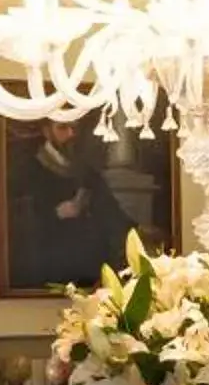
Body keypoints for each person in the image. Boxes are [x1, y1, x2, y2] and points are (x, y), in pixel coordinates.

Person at [10, 118, 141, 288]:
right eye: (63, 128)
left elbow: (112, 213)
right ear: (46, 131)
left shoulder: (86, 172)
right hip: (49, 271)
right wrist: (56, 214)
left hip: (90, 276)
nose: (71, 134)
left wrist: (138, 232)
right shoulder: (28, 170)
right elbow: (13, 220)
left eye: (73, 128)